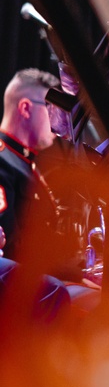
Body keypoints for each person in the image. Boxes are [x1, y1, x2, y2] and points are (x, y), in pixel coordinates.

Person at [0, 68, 61, 260]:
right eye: (52, 108)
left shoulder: (26, 164)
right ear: (25, 108)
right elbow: (10, 247)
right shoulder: (3, 162)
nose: (58, 120)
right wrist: (76, 273)